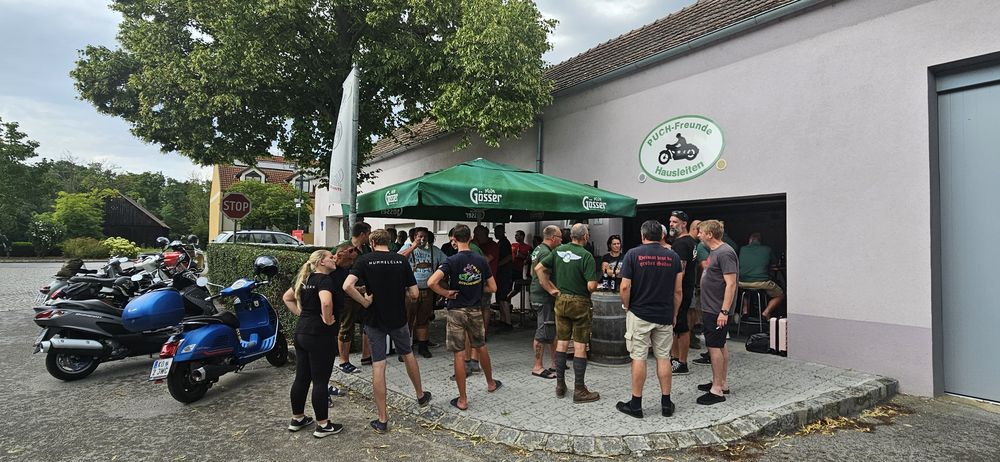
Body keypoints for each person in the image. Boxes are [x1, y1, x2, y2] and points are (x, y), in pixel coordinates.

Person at [343, 229, 432, 434]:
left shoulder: (364, 260)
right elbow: (414, 293)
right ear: (389, 242)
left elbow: (347, 286)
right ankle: (420, 396)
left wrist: (364, 301)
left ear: (372, 243)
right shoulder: (400, 260)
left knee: (379, 364)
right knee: (408, 354)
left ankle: (382, 419)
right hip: (398, 317)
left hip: (374, 319)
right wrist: (405, 295)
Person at [427, 224, 502, 411]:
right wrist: (478, 288)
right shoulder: (481, 260)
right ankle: (491, 383)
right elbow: (493, 287)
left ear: (454, 239)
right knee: (481, 346)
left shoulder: (451, 261)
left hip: (456, 311)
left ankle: (463, 399)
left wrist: (446, 293)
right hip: (475, 310)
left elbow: (431, 282)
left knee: (459, 354)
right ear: (470, 238)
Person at [615, 220, 683, 418]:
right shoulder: (673, 256)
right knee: (664, 357)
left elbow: (625, 286)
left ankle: (636, 405)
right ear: (662, 236)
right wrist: (674, 313)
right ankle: (666, 404)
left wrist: (626, 305)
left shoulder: (632, 254)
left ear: (642, 235)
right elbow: (678, 291)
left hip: (639, 314)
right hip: (664, 315)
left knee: (639, 357)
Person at [535, 223, 600, 403]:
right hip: (580, 303)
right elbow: (591, 286)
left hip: (561, 301)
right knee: (579, 346)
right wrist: (594, 284)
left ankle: (560, 386)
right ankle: (579, 390)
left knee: (562, 343)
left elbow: (538, 269)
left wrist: (550, 289)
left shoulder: (558, 251)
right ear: (585, 237)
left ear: (571, 236)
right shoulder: (586, 256)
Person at [281, 250, 344, 437]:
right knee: (320, 381)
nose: (334, 259)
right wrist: (328, 320)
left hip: (301, 332)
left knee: (302, 377)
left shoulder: (304, 279)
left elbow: (287, 298)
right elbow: (326, 303)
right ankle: (323, 425)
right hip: (319, 335)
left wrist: (303, 315)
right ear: (321, 262)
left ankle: (298, 418)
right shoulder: (324, 280)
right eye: (330, 257)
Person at [696, 220, 739, 405]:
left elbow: (731, 284)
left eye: (701, 232)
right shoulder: (715, 252)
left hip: (717, 309)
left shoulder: (725, 252)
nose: (698, 235)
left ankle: (717, 390)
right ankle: (721, 382)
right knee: (720, 345)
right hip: (712, 308)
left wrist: (724, 311)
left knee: (714, 347)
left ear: (709, 234)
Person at [398, 227, 446, 358]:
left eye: (425, 236)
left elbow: (447, 263)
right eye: (420, 236)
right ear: (414, 237)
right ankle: (404, 350)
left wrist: (440, 274)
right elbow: (398, 259)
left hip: (427, 291)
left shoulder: (434, 250)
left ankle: (423, 347)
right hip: (410, 291)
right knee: (407, 320)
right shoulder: (407, 247)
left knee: (423, 320)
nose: (422, 239)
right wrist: (413, 247)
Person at [337, 221, 372, 373]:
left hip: (364, 292)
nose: (369, 236)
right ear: (363, 234)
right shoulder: (344, 248)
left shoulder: (366, 249)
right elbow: (334, 269)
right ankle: (343, 361)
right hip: (348, 294)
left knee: (367, 323)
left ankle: (366, 355)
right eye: (368, 233)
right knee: (347, 325)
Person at [529, 225, 562, 379]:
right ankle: (537, 367)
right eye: (560, 237)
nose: (561, 241)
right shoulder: (546, 252)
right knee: (542, 332)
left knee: (550, 330)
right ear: (553, 237)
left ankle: (555, 363)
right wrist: (553, 291)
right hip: (543, 297)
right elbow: (542, 275)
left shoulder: (538, 249)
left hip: (538, 294)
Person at [667, 210, 697, 377]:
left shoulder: (682, 244)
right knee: (677, 326)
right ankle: (675, 359)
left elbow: (681, 272)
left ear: (684, 224)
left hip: (681, 290)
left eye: (675, 222)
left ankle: (682, 363)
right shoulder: (689, 241)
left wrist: (674, 291)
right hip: (686, 289)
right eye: (670, 221)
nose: (671, 224)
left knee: (682, 326)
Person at [738, 233, 785, 319]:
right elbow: (775, 264)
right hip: (761, 282)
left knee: (744, 291)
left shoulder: (743, 249)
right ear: (761, 241)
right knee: (780, 295)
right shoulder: (767, 249)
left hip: (742, 282)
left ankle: (745, 311)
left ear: (750, 240)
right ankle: (765, 313)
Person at [493, 224, 514, 331]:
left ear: (502, 232)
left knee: (503, 298)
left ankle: (507, 322)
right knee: (500, 298)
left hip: (505, 274)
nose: (495, 234)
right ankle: (503, 320)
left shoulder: (504, 243)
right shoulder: (501, 242)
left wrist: (498, 265)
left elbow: (509, 257)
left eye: (497, 232)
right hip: (501, 274)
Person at [506, 229, 533, 303]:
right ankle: (508, 305)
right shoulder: (513, 245)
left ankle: (508, 297)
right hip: (511, 269)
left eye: (517, 235)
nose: (515, 237)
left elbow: (529, 260)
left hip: (519, 270)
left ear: (522, 236)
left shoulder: (528, 247)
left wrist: (522, 256)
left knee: (518, 288)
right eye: (515, 235)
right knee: (508, 288)